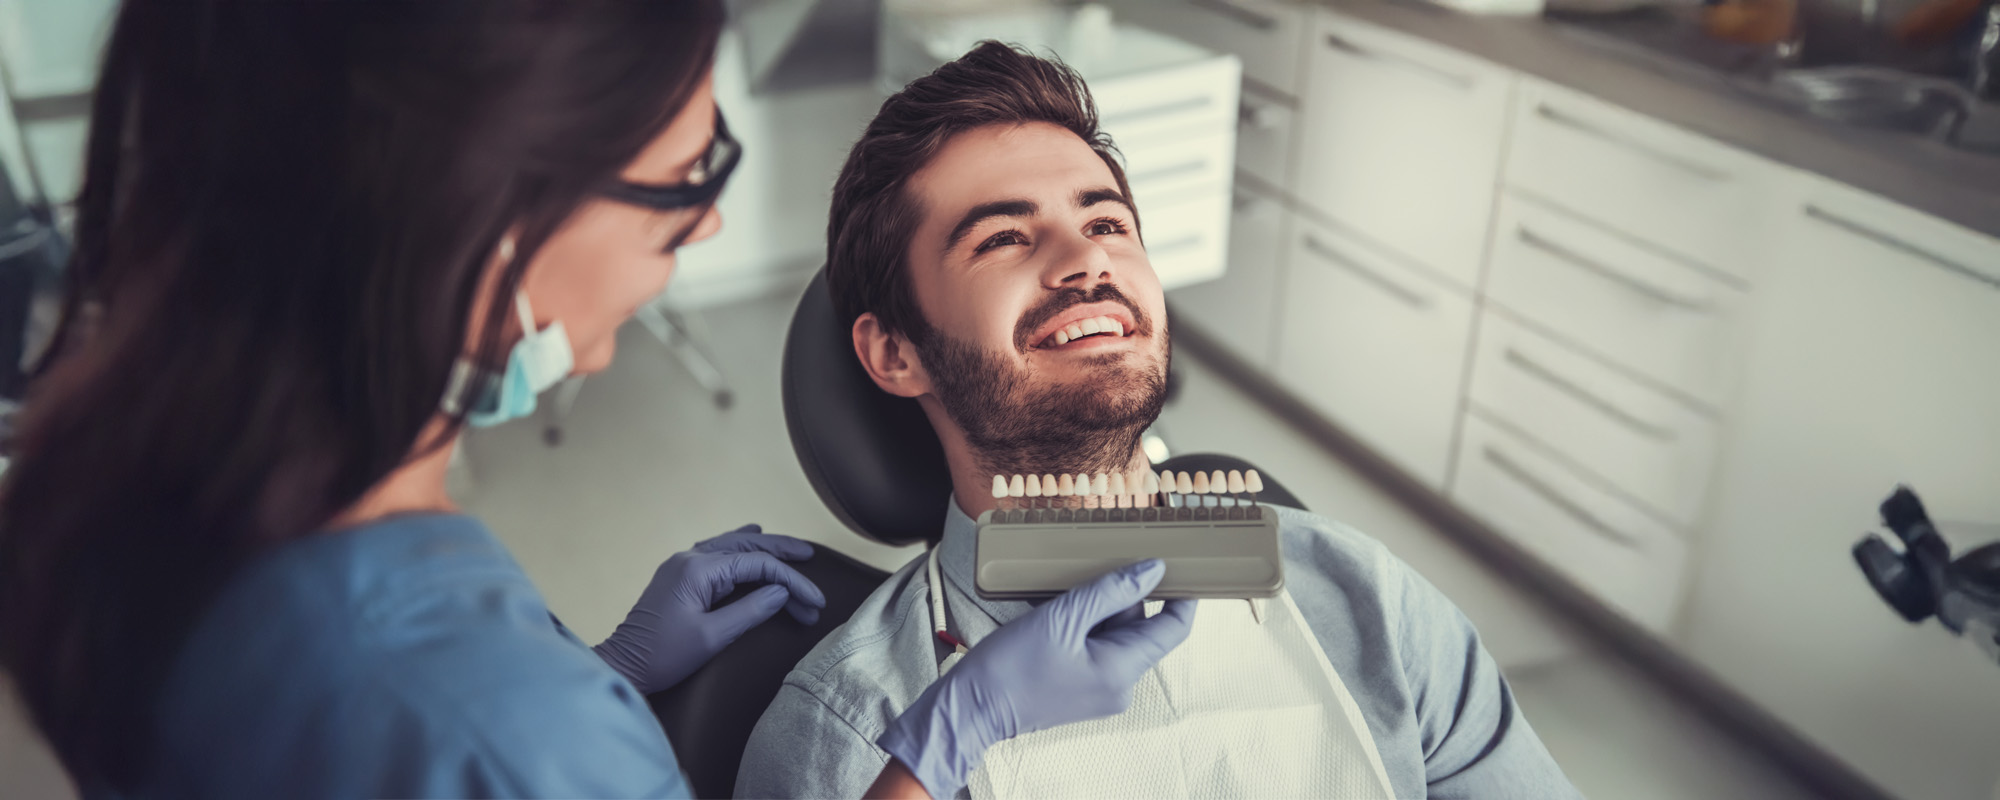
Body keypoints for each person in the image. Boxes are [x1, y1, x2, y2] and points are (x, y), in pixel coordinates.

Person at [0, 4, 1199, 799]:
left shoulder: (168, 503)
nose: (713, 222)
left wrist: (608, 671)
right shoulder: (502, 726)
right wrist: (945, 739)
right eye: (686, 182)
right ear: (487, 221)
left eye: (1108, 219)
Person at [735, 42, 1583, 799]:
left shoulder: (1367, 604)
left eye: (1106, 222)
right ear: (894, 355)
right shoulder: (853, 734)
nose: (1087, 261)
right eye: (1002, 239)